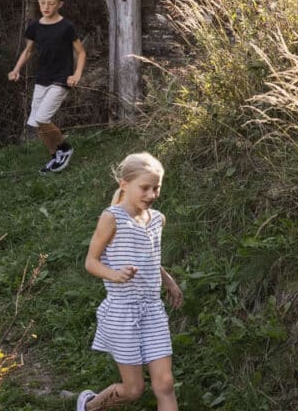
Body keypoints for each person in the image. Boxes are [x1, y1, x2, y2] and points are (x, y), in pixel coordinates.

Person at [76, 152, 185, 411]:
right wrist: (114, 275)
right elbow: (91, 262)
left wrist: (168, 281)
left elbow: (150, 259)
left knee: (165, 384)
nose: (151, 194)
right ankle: (90, 406)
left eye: (156, 188)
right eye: (144, 188)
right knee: (134, 390)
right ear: (124, 184)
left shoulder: (157, 219)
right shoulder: (112, 217)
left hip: (153, 310)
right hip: (122, 312)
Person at [7, 0, 84, 173]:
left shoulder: (66, 26)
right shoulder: (35, 26)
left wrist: (76, 75)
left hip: (61, 79)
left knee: (42, 118)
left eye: (51, 3)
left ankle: (65, 148)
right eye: (42, 3)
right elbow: (28, 51)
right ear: (38, 3)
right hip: (42, 79)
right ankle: (55, 156)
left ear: (60, 4)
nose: (46, 7)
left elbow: (81, 53)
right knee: (36, 123)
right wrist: (16, 69)